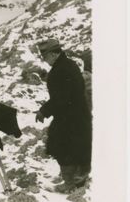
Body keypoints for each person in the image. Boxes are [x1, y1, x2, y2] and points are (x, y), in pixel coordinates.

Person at [34, 38, 92, 190]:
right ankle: (74, 180)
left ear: (54, 54)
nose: (45, 60)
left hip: (70, 117)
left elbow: (61, 98)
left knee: (61, 145)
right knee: (73, 147)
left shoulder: (62, 69)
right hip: (74, 115)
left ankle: (71, 183)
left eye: (45, 56)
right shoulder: (67, 65)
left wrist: (43, 111)